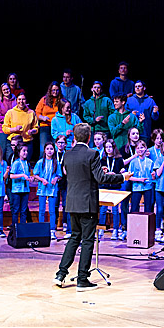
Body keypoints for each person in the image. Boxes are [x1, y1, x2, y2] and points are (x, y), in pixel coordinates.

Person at [54, 123, 131, 291]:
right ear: (89, 137)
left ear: (74, 137)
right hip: (87, 203)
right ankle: (82, 279)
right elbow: (100, 178)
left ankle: (61, 274)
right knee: (88, 240)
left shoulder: (66, 154)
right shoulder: (92, 153)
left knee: (74, 238)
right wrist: (122, 177)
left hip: (72, 202)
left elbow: (77, 174)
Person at [2, 93, 39, 165]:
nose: (21, 101)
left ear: (26, 101)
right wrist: (14, 129)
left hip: (27, 142)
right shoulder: (10, 112)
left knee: (25, 163)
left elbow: (36, 127)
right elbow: (4, 128)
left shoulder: (31, 113)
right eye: (19, 99)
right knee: (11, 163)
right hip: (13, 143)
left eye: (23, 99)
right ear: (16, 100)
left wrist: (32, 131)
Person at [33, 142, 63, 231]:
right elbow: (35, 174)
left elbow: (60, 175)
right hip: (42, 189)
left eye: (51, 149)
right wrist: (42, 180)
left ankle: (52, 229)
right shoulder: (40, 162)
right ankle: (41, 228)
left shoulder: (56, 162)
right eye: (47, 149)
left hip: (52, 189)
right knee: (42, 210)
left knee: (52, 211)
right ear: (44, 150)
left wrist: (56, 178)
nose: (49, 151)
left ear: (54, 150)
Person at [101, 139, 126, 238]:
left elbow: (122, 172)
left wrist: (117, 173)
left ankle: (115, 230)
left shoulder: (119, 159)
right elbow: (100, 173)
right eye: (106, 147)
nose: (108, 149)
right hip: (106, 187)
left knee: (115, 210)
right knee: (103, 209)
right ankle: (101, 230)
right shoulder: (102, 160)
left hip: (116, 187)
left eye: (110, 147)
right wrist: (106, 173)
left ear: (114, 147)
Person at [0, 83, 16, 158]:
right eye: (4, 90)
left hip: (14, 129)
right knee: (3, 148)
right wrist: (10, 119)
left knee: (12, 149)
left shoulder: (15, 100)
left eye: (7, 89)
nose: (6, 91)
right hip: (3, 129)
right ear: (1, 92)